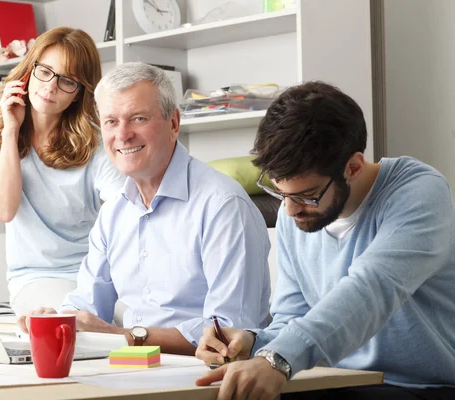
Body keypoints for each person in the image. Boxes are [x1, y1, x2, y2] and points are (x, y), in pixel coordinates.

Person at [195, 81, 455, 399]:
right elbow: (294, 317)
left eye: (306, 195)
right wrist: (252, 343)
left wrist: (277, 359)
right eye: (280, 193)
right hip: (334, 379)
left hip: (419, 386)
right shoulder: (298, 212)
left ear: (353, 167)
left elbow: (372, 290)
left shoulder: (418, 192)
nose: (288, 210)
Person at [18, 62, 272, 355]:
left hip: (205, 377)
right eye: (111, 121)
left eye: (138, 118)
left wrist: (125, 337)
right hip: (131, 367)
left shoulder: (223, 206)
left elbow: (228, 333)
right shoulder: (114, 211)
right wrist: (56, 320)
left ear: (174, 123)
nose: (123, 135)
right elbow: (87, 305)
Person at [0, 27, 125, 316]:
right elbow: (3, 210)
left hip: (95, 272)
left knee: (143, 321)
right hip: (35, 276)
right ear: (30, 69)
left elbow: (125, 208)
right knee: (70, 320)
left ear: (79, 94)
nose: (51, 87)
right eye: (45, 71)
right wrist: (11, 130)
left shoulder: (94, 142)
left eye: (67, 80)